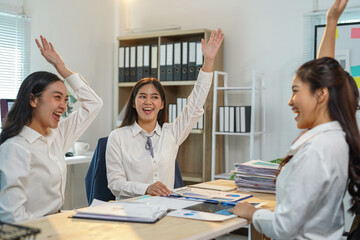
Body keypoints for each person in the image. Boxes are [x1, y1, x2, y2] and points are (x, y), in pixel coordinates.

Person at [230, 0, 360, 239]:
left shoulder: (318, 148)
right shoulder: (337, 136)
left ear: (322, 95)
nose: (290, 101)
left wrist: (252, 214)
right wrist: (331, 22)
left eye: (295, 91)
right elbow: (323, 76)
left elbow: (284, 227)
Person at [106, 29, 224, 198]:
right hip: (132, 210)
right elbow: (115, 183)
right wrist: (146, 188)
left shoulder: (171, 133)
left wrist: (208, 63)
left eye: (154, 97)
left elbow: (195, 105)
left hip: (165, 209)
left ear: (161, 104)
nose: (148, 102)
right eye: (142, 97)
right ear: (133, 102)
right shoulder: (117, 137)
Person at [0, 36, 103, 223]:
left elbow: (94, 104)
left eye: (65, 99)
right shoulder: (15, 148)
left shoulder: (56, 136)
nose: (63, 106)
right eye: (57, 97)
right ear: (33, 100)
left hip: (57, 224)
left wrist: (60, 66)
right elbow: (11, 217)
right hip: (34, 231)